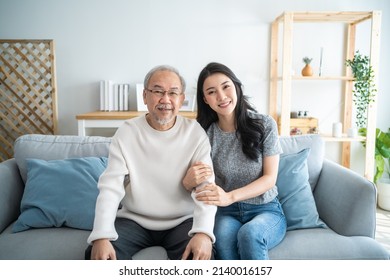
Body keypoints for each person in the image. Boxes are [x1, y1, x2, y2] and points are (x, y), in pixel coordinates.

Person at [86, 65, 217, 260]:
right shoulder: (127, 132)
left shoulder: (195, 133)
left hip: (182, 221)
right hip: (134, 220)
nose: (165, 99)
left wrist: (203, 233)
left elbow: (206, 188)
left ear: (181, 99)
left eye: (173, 93)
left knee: (200, 258)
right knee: (96, 258)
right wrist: (101, 236)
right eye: (157, 91)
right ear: (145, 96)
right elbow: (110, 187)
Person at [182, 62, 286, 260]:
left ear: (237, 87)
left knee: (250, 234)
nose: (221, 96)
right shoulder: (204, 134)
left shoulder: (264, 124)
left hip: (265, 208)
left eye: (226, 86)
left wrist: (229, 196)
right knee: (221, 238)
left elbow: (269, 178)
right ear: (205, 100)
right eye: (212, 92)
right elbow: (192, 182)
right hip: (226, 213)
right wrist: (188, 181)